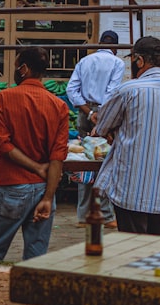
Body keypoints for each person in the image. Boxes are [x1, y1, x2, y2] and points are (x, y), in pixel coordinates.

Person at [0, 47, 70, 262]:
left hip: (13, 188)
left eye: (17, 66)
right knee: (37, 258)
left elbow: (4, 145)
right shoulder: (59, 106)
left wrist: (35, 168)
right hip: (45, 188)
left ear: (24, 68)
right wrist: (48, 196)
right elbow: (58, 156)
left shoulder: (5, 97)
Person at [92, 36, 160, 235]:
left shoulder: (129, 90)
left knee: (132, 245)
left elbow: (102, 126)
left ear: (140, 61)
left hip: (131, 187)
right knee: (154, 244)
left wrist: (113, 131)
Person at [66, 30, 124, 227]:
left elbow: (71, 90)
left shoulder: (85, 61)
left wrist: (90, 114)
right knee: (105, 161)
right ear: (115, 47)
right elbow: (112, 92)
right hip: (105, 113)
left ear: (100, 43)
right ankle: (106, 216)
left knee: (85, 161)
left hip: (85, 113)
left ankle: (83, 216)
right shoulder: (117, 63)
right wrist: (101, 119)